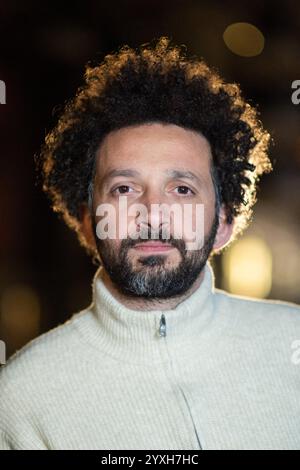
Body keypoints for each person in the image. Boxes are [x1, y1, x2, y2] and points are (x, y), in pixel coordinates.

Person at [0, 37, 299, 450]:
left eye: (181, 189)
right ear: (88, 223)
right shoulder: (20, 397)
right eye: (124, 188)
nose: (153, 213)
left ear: (225, 222)